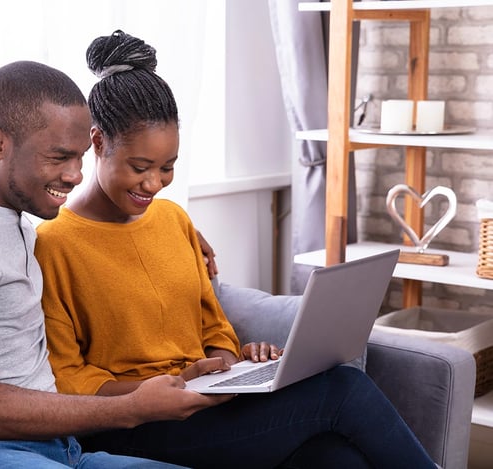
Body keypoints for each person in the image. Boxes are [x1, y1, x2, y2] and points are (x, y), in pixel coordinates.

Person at [34, 30, 437, 469]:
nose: (154, 184)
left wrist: (235, 364)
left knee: (337, 458)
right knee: (343, 389)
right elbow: (67, 379)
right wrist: (172, 383)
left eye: (167, 167)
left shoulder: (173, 220)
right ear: (97, 143)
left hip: (210, 407)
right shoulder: (55, 244)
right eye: (140, 167)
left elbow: (214, 329)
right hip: (139, 425)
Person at [0, 60, 237, 469]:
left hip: (55, 449)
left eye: (81, 157)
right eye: (60, 157)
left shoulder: (13, 223)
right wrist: (134, 406)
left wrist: (176, 233)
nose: (75, 175)